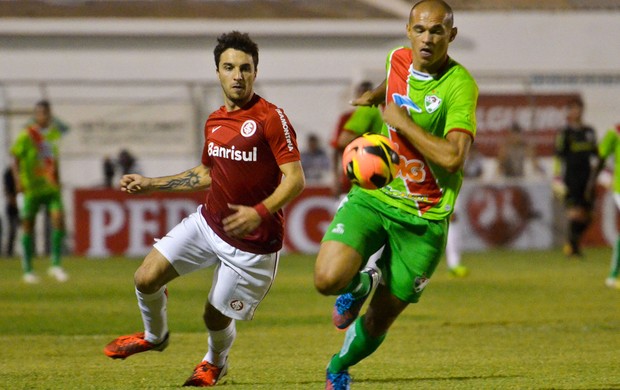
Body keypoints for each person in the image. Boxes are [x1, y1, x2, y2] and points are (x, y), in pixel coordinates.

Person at [103, 31, 305, 387]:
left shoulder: (271, 118)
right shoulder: (214, 121)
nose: (237, 75)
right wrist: (151, 183)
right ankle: (154, 337)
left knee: (213, 315)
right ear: (218, 72)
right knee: (145, 278)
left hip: (253, 245)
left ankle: (216, 361)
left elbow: (295, 179)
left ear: (256, 72)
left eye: (245, 68)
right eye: (229, 67)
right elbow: (207, 173)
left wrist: (259, 211)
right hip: (209, 224)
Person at [313, 1, 478, 388]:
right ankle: (360, 284)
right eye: (420, 29)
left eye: (437, 31)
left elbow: (454, 157)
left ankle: (338, 366)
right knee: (326, 279)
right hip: (377, 195)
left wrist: (401, 123)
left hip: (425, 217)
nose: (427, 38)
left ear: (450, 36)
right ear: (408, 30)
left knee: (379, 318)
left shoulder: (460, 86)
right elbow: (395, 81)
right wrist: (375, 95)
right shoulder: (396, 58)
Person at [10, 99, 68, 283]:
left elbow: (53, 159)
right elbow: (15, 159)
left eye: (48, 113)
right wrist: (18, 181)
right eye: (42, 113)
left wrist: (58, 178)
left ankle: (56, 265)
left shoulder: (52, 134)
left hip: (50, 187)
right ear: (36, 115)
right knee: (28, 225)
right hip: (32, 189)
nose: (45, 116)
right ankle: (28, 269)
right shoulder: (27, 135)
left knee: (58, 221)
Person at [552, 97, 598, 258]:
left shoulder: (589, 132)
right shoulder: (565, 133)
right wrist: (556, 178)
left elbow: (597, 155)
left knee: (590, 214)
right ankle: (572, 247)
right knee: (575, 211)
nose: (576, 111)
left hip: (588, 178)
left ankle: (573, 243)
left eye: (578, 108)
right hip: (572, 177)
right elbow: (558, 156)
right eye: (573, 108)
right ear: (569, 112)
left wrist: (603, 173)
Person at [330, 81, 374, 198]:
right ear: (357, 95)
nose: (365, 96)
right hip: (350, 175)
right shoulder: (346, 118)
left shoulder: (380, 116)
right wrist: (335, 178)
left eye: (368, 93)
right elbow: (337, 148)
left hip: (373, 173)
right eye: (362, 93)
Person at [595, 124, 620, 289]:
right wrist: (602, 176)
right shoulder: (615, 131)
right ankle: (613, 275)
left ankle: (613, 275)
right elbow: (601, 156)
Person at [3, 166, 19, 257]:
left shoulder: (24, 170)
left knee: (28, 228)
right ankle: (9, 252)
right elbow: (7, 191)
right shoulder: (8, 173)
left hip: (22, 204)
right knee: (12, 230)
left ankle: (31, 251)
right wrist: (14, 202)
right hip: (12, 207)